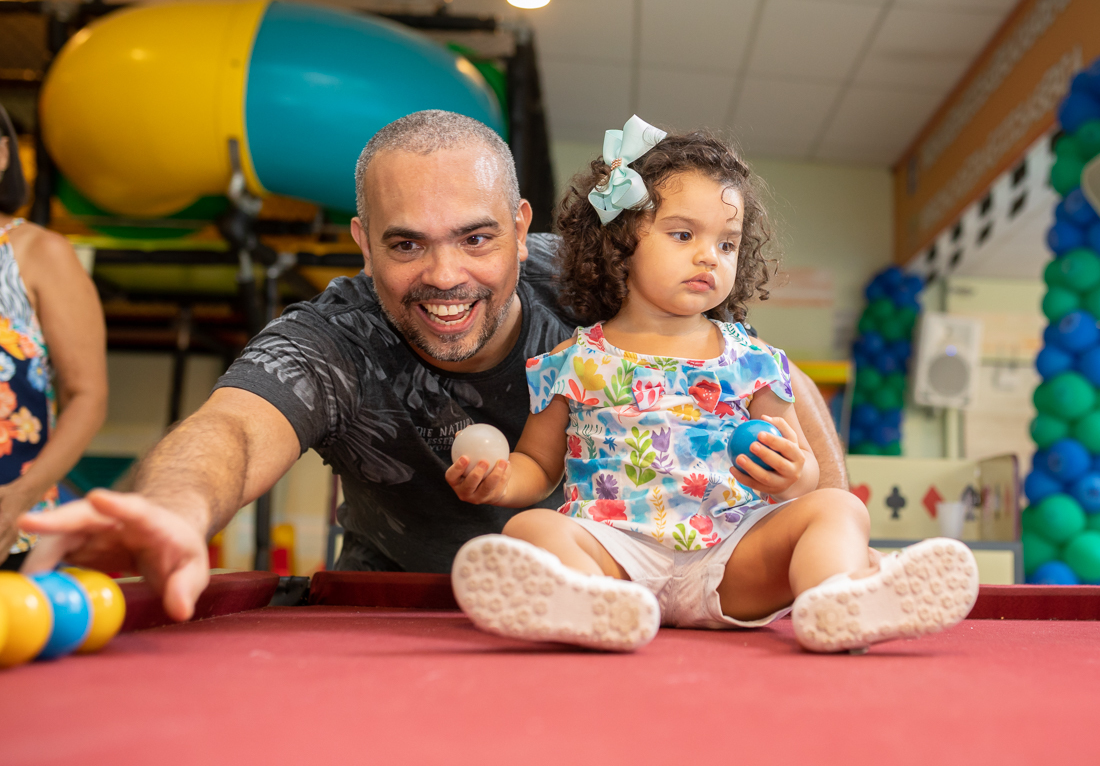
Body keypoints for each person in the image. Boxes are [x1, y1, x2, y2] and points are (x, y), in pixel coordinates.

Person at [19, 110, 846, 623]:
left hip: (655, 588)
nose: (445, 275)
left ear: (522, 228)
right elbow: (233, 429)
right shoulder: (331, 338)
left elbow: (766, 376)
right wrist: (170, 506)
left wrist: (831, 518)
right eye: (406, 243)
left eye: (477, 238)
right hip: (394, 608)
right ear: (363, 244)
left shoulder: (599, 278)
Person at [445, 117, 979, 653]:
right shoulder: (574, 359)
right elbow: (538, 466)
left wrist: (793, 476)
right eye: (684, 235)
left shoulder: (753, 360)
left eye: (727, 243)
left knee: (841, 509)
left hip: (731, 560)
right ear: (622, 241)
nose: (709, 256)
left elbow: (805, 471)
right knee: (528, 531)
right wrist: (498, 482)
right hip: (618, 559)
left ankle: (838, 600)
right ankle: (589, 605)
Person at [0, 103, 107, 569]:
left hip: (11, 532)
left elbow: (88, 396)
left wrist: (17, 499)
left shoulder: (39, 253)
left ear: (3, 155)